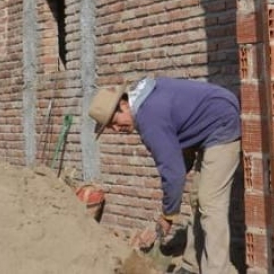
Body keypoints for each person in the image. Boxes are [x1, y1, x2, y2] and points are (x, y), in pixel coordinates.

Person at [89, 77, 241, 274]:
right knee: (196, 199)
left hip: (221, 123)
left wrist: (168, 216)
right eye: (110, 128)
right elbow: (177, 157)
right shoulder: (144, 106)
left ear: (123, 104)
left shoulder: (149, 117)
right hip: (205, 128)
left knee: (210, 203)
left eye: (113, 122)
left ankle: (218, 270)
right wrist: (166, 209)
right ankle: (191, 265)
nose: (116, 130)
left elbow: (173, 172)